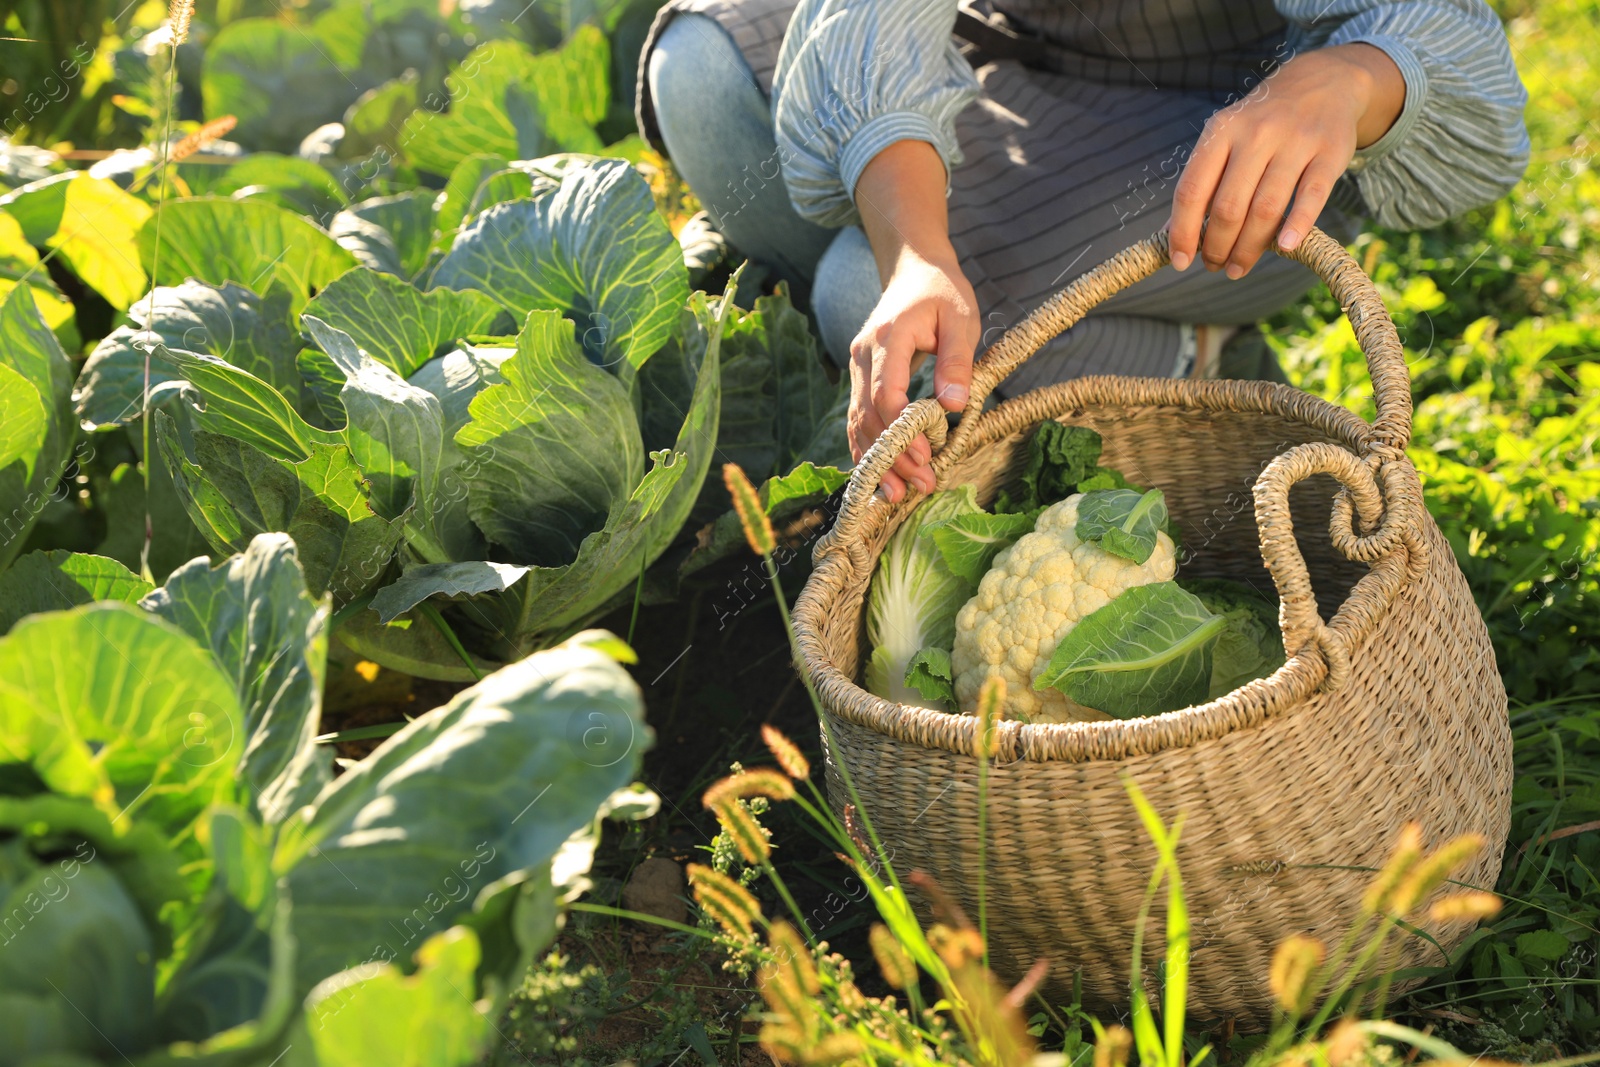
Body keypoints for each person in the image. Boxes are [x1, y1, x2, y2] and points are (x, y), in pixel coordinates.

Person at [637, 0, 1528, 501]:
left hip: (1236, 123)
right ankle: (1000, 352)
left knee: (848, 288)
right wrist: (918, 252)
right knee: (702, 70)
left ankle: (1182, 362)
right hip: (999, 55)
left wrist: (1346, 78)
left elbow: (1447, 41)